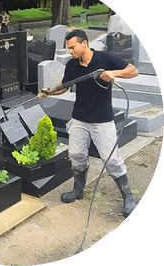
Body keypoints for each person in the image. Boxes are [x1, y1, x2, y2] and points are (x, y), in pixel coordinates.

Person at [38, 29, 138, 217]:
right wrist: (49, 92)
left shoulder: (105, 58)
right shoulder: (72, 65)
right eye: (69, 49)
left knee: (112, 160)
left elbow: (133, 70)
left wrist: (113, 73)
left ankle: (128, 198)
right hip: (79, 118)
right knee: (76, 154)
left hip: (102, 120)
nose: (71, 52)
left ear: (84, 43)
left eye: (73, 47)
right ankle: (78, 190)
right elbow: (64, 87)